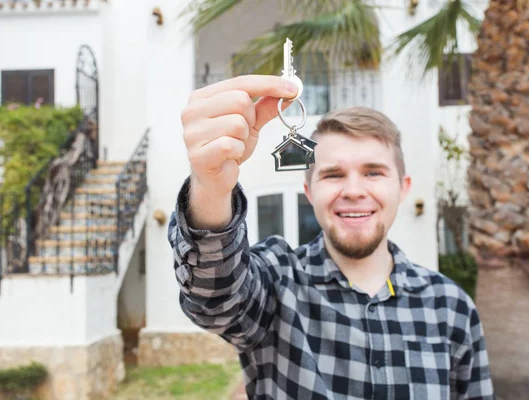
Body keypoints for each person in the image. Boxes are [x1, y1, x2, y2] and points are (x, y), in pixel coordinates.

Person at [168, 75, 494, 399]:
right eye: (333, 174)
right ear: (310, 192)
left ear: (402, 188)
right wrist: (210, 186)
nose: (353, 191)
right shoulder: (278, 282)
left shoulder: (451, 308)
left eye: (373, 172)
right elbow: (214, 298)